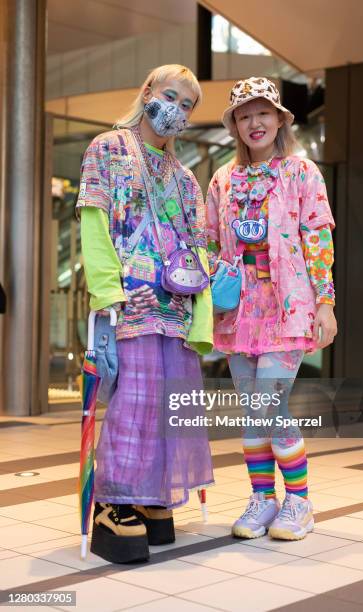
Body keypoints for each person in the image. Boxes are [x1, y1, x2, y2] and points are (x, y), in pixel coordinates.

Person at [77, 64, 214, 563]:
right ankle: (114, 500)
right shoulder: (107, 149)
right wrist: (106, 294)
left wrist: (205, 299)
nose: (176, 110)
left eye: (187, 105)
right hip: (128, 302)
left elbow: (198, 244)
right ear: (148, 92)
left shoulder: (184, 176)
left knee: (168, 407)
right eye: (171, 96)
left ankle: (150, 494)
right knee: (132, 405)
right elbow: (94, 223)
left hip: (176, 307)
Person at [206, 77, 337, 541]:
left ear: (280, 119)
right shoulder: (223, 179)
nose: (253, 123)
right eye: (244, 115)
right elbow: (211, 242)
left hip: (288, 307)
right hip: (238, 311)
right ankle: (263, 499)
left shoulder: (302, 173)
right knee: (252, 411)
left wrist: (326, 303)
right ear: (235, 125)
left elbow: (318, 239)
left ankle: (299, 502)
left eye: (263, 113)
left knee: (269, 404)